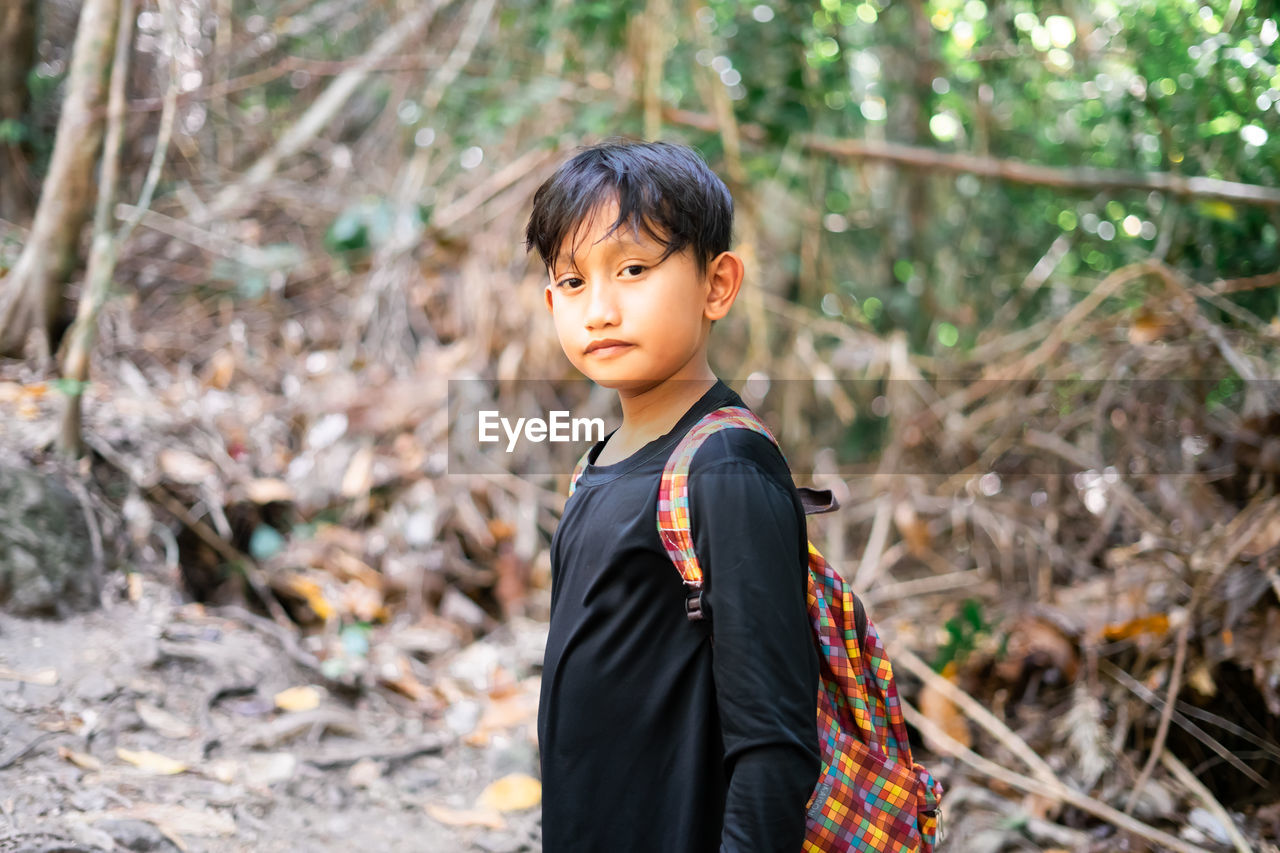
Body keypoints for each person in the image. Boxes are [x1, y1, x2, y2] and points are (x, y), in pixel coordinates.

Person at [526, 139, 820, 853]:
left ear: (717, 285)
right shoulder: (598, 464)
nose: (598, 309)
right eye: (572, 282)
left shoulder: (724, 465)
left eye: (632, 269)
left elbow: (774, 743)